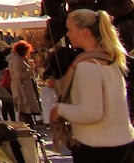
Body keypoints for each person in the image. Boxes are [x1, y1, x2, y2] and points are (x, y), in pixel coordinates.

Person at [50, 8, 134, 163]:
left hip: (97, 147)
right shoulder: (111, 59)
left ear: (84, 32)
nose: (67, 34)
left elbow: (91, 112)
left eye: (70, 30)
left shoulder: (87, 66)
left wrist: (59, 110)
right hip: (122, 142)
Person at [10, 41, 43, 126]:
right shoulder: (17, 60)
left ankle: (28, 125)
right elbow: (19, 75)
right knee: (25, 109)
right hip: (21, 88)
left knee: (25, 110)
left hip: (23, 87)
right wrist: (30, 70)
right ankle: (27, 126)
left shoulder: (18, 59)